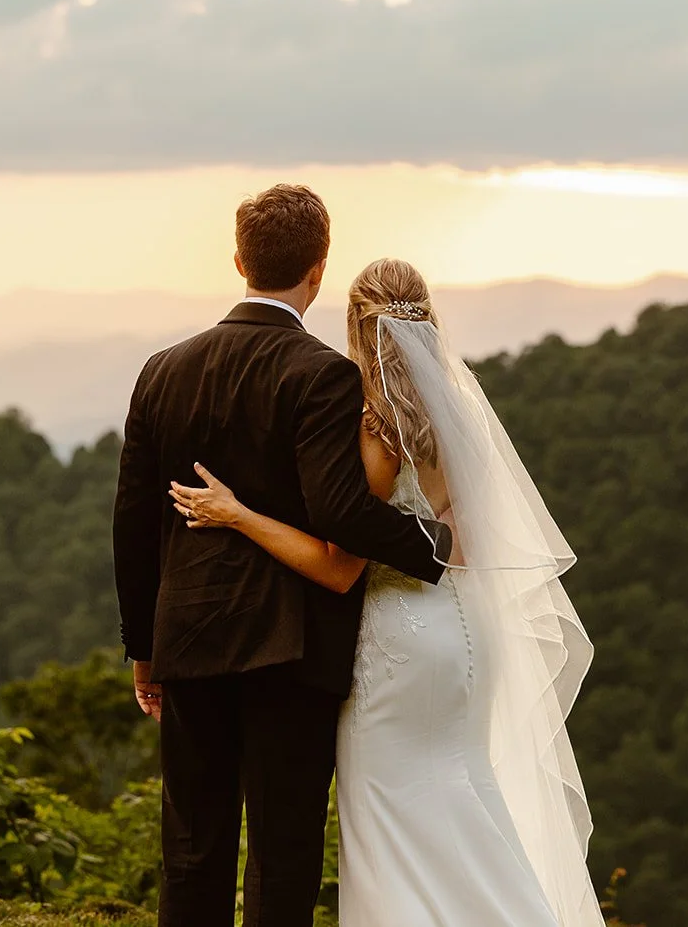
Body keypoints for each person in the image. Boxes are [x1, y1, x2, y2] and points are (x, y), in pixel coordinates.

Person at [170, 257, 604, 927]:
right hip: (467, 631)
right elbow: (463, 544)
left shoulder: (374, 428)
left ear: (355, 323)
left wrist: (237, 514)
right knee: (464, 793)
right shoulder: (456, 411)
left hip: (400, 634)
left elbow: (339, 566)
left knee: (388, 815)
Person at [112, 186, 456, 927]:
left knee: (192, 849)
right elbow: (338, 509)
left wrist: (144, 649)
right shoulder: (323, 373)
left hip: (190, 637)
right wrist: (435, 547)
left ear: (238, 259)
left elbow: (134, 523)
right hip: (291, 650)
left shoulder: (160, 370)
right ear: (319, 268)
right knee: (282, 853)